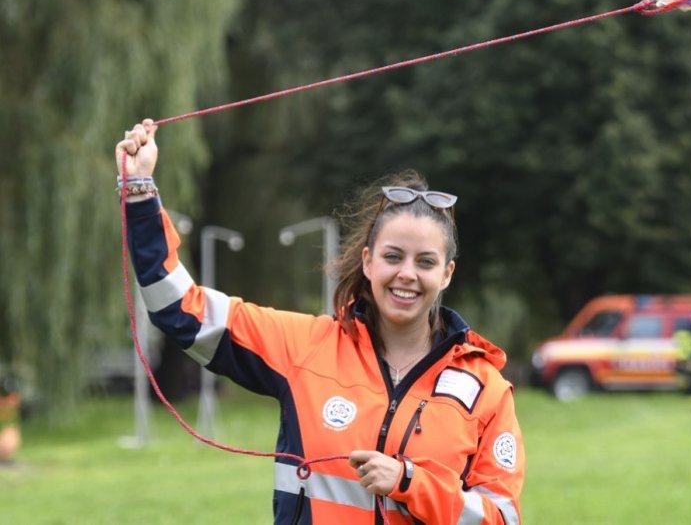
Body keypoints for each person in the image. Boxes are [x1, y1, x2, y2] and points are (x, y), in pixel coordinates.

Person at [115, 120, 524, 524]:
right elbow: (182, 312)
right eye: (393, 256)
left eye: (426, 262)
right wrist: (139, 191)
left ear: (447, 274)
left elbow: (503, 519)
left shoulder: (486, 387)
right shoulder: (307, 347)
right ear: (368, 261)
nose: (407, 275)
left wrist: (410, 481)